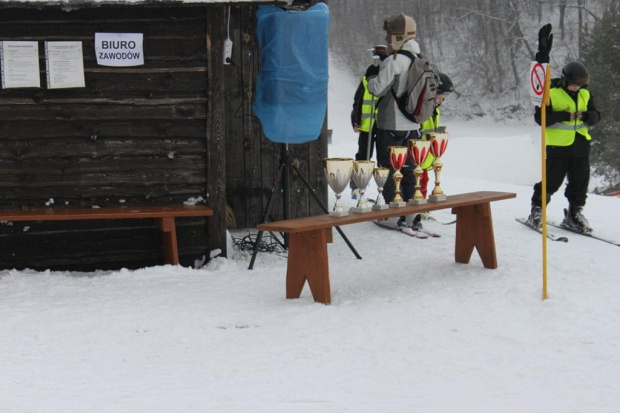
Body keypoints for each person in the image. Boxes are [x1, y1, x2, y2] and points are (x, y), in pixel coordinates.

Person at [527, 61, 601, 232]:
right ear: (565, 80)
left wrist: (587, 116)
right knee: (552, 181)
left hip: (580, 144)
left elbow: (596, 115)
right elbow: (540, 118)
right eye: (574, 84)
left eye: (580, 84)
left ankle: (574, 213)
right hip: (558, 146)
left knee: (580, 182)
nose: (576, 87)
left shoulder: (586, 94)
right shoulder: (550, 93)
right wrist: (563, 116)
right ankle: (536, 209)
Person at [366, 13, 422, 228]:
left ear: (396, 36)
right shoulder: (420, 58)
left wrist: (372, 77)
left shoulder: (395, 61)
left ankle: (392, 212)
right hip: (414, 125)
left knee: (388, 167)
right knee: (409, 168)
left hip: (391, 124)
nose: (388, 40)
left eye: (390, 35)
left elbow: (377, 89)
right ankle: (412, 213)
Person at [350, 45, 388, 199]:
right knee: (363, 155)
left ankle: (384, 189)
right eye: (375, 58)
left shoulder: (388, 76)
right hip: (366, 125)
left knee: (383, 157)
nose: (376, 61)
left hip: (383, 126)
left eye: (379, 58)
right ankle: (357, 186)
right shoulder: (367, 77)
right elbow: (358, 101)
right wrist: (355, 120)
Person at [419, 72, 454, 200]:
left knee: (423, 180)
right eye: (440, 97)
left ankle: (420, 207)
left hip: (426, 158)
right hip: (417, 157)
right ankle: (415, 208)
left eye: (443, 98)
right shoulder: (421, 109)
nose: (441, 101)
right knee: (416, 182)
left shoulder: (435, 110)